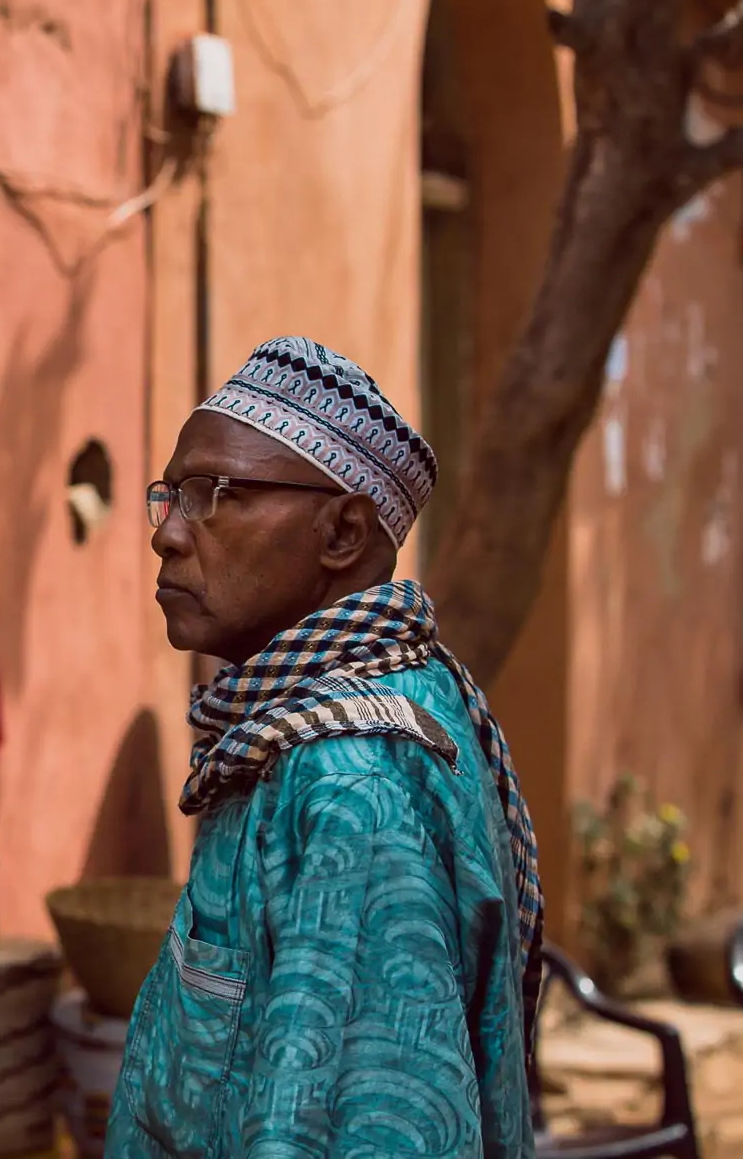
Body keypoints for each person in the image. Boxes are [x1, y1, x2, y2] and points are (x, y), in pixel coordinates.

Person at [106, 337, 542, 1157]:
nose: (166, 534)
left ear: (341, 532)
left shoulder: (349, 782)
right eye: (167, 495)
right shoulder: (322, 718)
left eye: (209, 495)